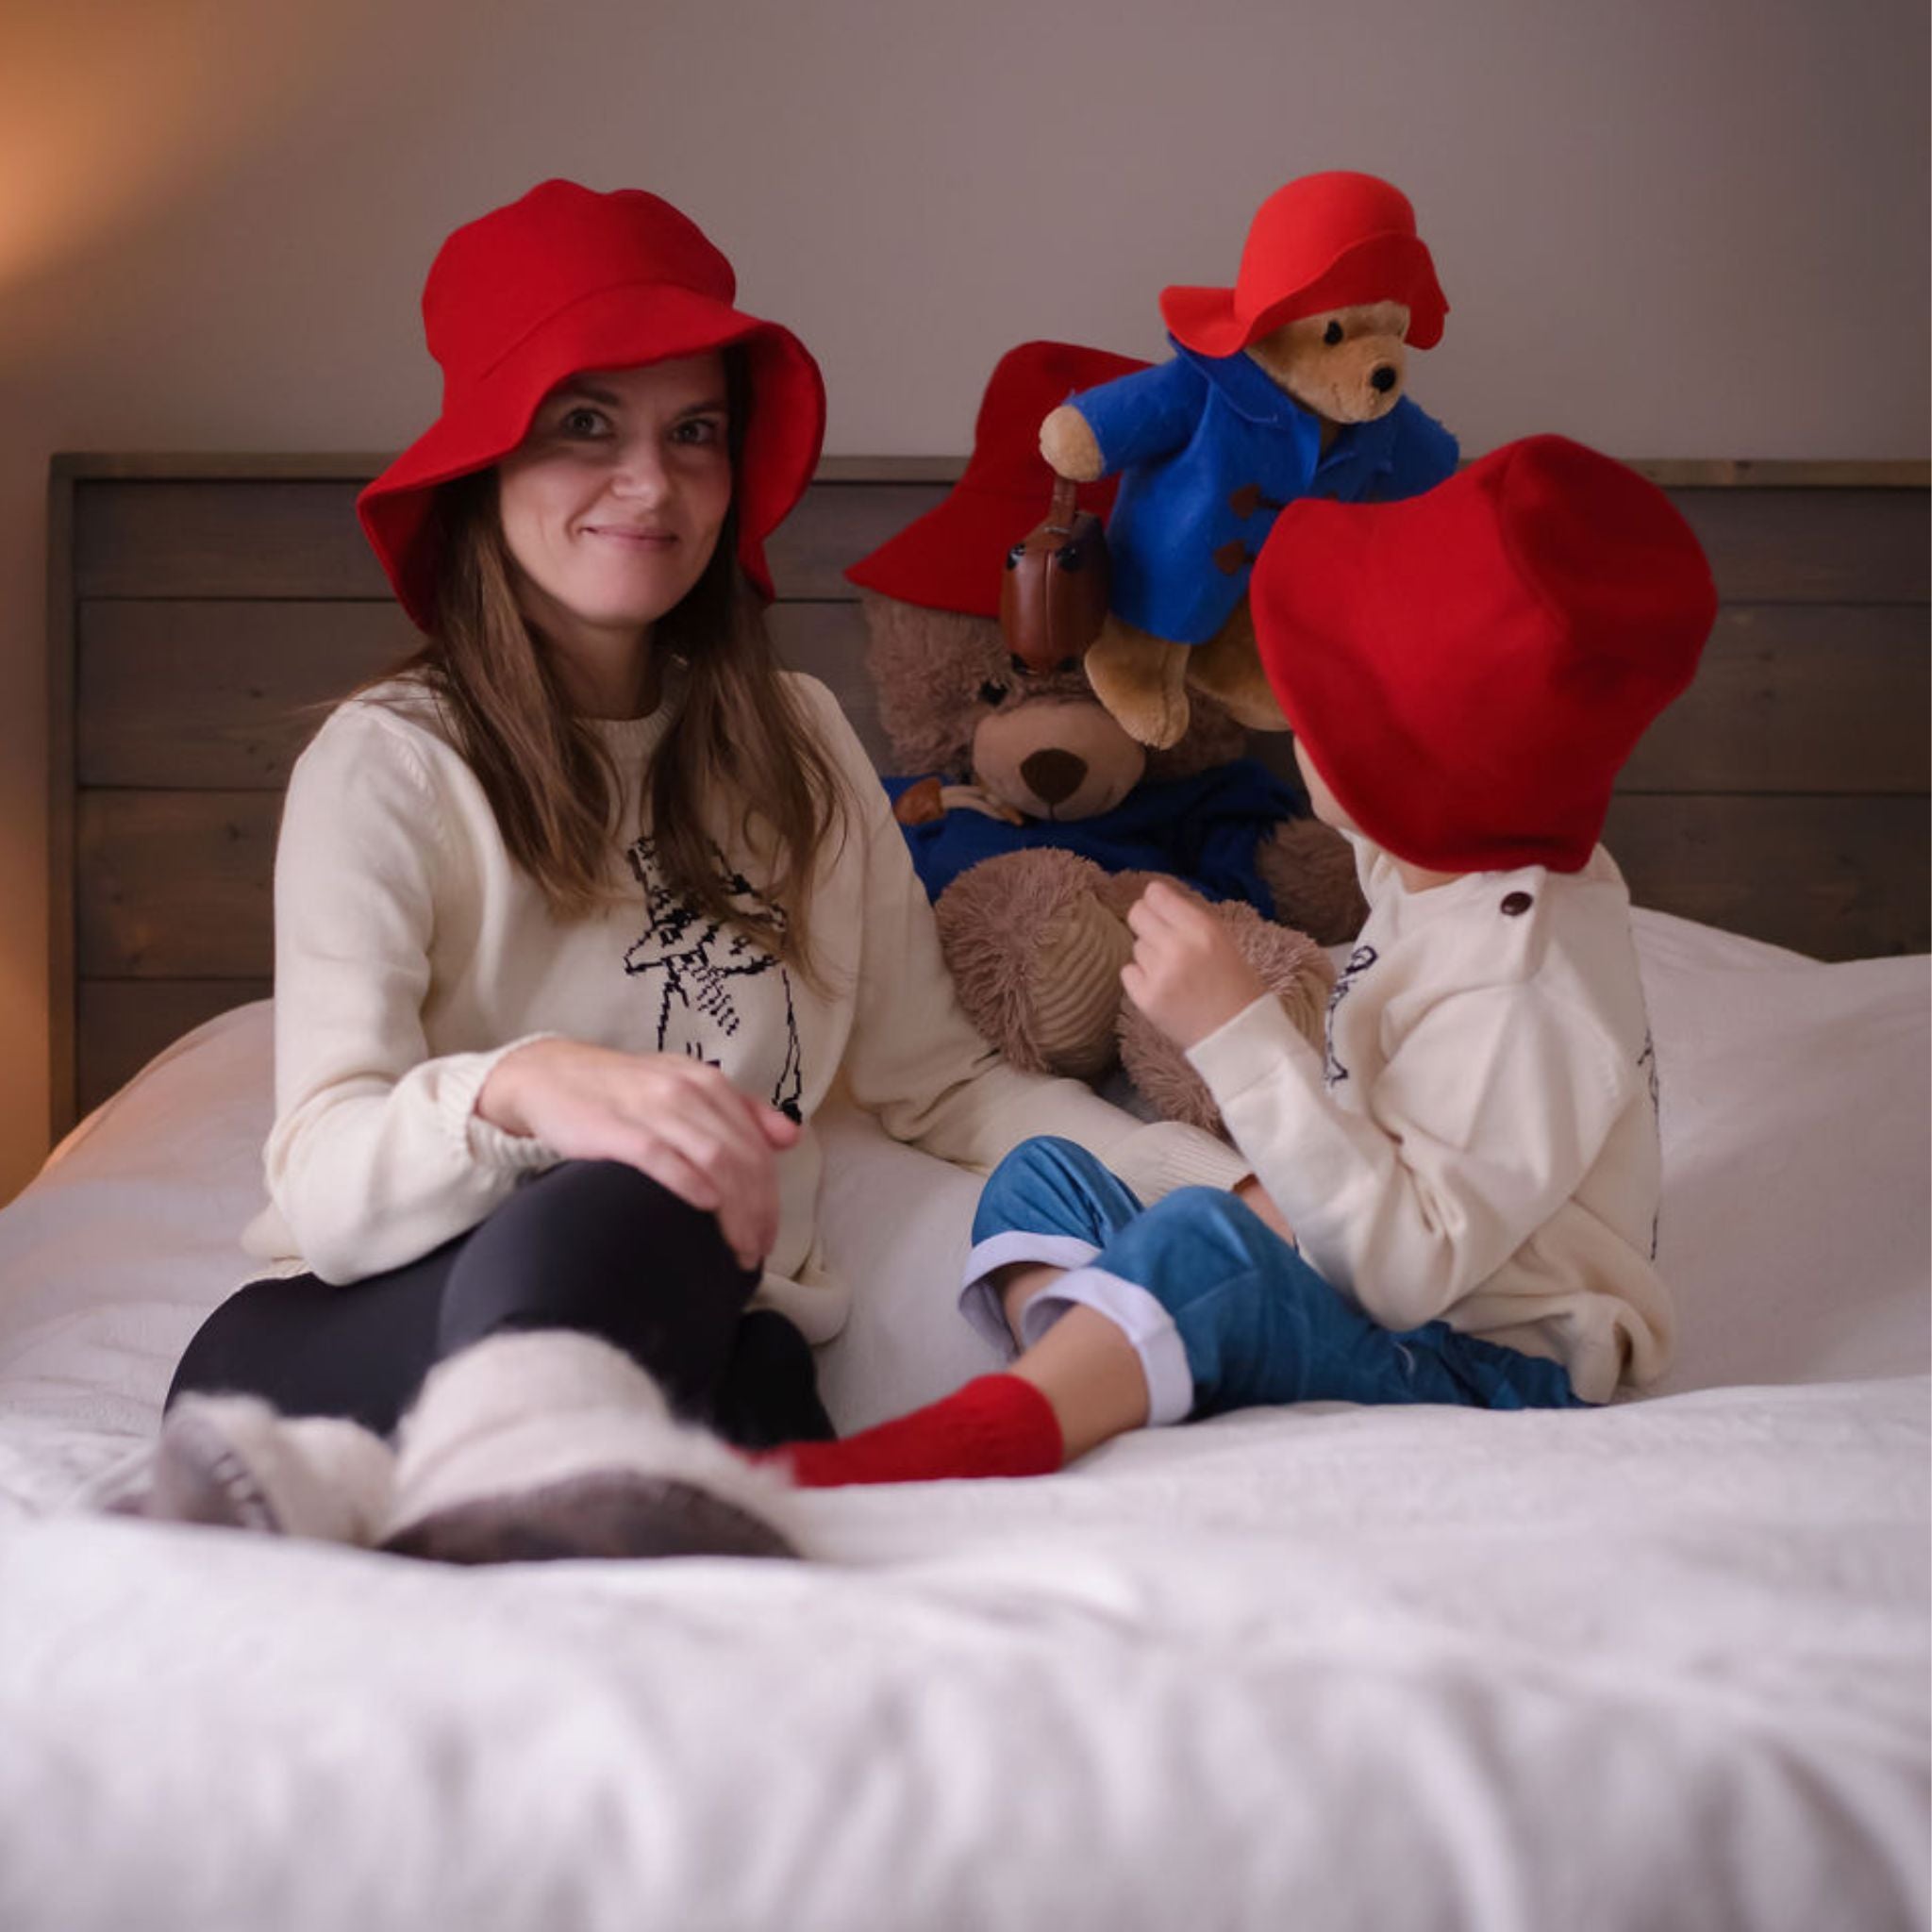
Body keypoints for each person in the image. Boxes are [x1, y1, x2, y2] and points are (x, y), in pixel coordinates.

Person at [138, 179, 1251, 1562]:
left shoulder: (795, 737)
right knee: (642, 1187)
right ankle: (421, 1472)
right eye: (584, 425)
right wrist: (528, 1085)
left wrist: (1199, 1170)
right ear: (487, 462)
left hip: (696, 1335)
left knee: (763, 1379)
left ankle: (468, 1510)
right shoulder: (390, 767)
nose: (651, 484)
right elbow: (320, 1175)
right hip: (353, 1338)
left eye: (696, 434)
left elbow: (940, 1079)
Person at [773, 434, 1717, 1488]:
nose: (1288, 726)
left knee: (1202, 1255)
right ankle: (1103, 1360)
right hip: (1360, 1249)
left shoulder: (1518, 986)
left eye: (1316, 707)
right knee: (1045, 1178)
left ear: (1393, 767)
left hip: (1479, 1352)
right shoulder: (1437, 862)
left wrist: (1236, 1033)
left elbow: (1405, 1270)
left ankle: (1023, 1416)